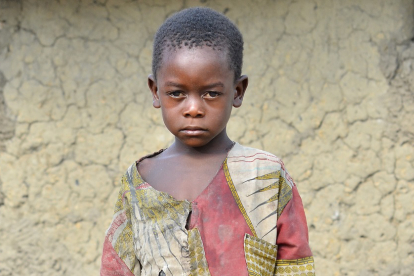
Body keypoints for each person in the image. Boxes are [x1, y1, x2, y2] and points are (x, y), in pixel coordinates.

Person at [100, 7, 315, 276]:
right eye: (176, 93)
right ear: (156, 92)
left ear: (237, 91)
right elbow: (117, 268)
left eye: (211, 94)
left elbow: (295, 264)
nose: (193, 108)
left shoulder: (266, 175)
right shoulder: (137, 183)